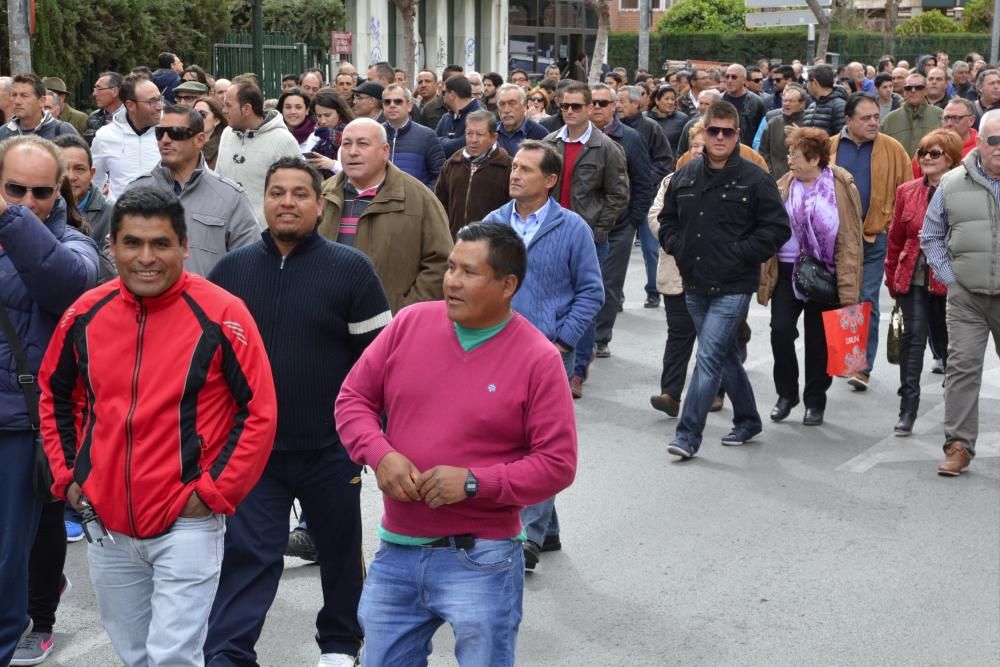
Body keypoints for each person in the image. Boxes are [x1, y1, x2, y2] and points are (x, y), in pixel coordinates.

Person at [38, 186, 277, 667]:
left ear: (184, 247)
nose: (147, 258)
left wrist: (211, 492)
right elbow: (56, 396)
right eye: (133, 243)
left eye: (161, 244)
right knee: (135, 655)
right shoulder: (84, 314)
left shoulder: (223, 313)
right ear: (113, 247)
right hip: (107, 522)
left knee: (172, 657)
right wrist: (69, 477)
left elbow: (259, 412)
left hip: (186, 521)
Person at [335, 221, 578, 665]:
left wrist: (473, 483)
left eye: (468, 272)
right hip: (397, 551)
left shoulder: (538, 359)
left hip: (481, 559)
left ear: (508, 285)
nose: (451, 281)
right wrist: (380, 453)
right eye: (450, 268)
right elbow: (352, 400)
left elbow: (557, 464)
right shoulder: (409, 323)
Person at [205, 157, 391, 667]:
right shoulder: (231, 271)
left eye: (300, 194)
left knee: (338, 550)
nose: (287, 202)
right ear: (262, 200)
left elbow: (380, 365)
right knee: (250, 555)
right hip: (253, 451)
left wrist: (375, 442)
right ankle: (227, 652)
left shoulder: (351, 270)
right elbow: (211, 365)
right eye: (277, 192)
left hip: (331, 449)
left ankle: (338, 643)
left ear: (319, 202)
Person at [479, 140, 602, 572]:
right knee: (503, 441)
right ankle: (544, 528)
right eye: (514, 166)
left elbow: (591, 292)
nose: (514, 174)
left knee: (541, 445)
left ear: (550, 181)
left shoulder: (573, 229)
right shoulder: (493, 225)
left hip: (549, 354)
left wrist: (562, 341)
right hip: (497, 352)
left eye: (526, 169)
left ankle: (528, 535)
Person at [0, 136, 99, 667]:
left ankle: (30, 621)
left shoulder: (75, 245)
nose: (29, 202)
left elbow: (64, 284)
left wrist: (8, 218)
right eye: (15, 190)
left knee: (13, 554)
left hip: (23, 423)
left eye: (41, 191)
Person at [659, 101, 791, 458]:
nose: (719, 137)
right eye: (712, 130)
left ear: (737, 135)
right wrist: (677, 247)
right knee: (725, 356)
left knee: (708, 358)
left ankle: (687, 435)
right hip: (694, 283)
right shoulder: (684, 175)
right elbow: (666, 220)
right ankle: (748, 419)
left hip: (733, 286)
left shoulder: (755, 178)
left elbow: (777, 228)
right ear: (702, 132)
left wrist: (743, 253)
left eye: (727, 132)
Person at [758, 127, 863, 427]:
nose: (789, 159)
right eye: (789, 153)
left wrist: (847, 288)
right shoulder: (784, 184)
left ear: (815, 158)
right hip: (787, 269)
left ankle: (815, 401)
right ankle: (786, 394)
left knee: (819, 341)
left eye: (796, 154)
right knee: (780, 331)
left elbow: (849, 239)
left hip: (824, 273)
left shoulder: (841, 186)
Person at [920, 109, 1000, 476]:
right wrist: (950, 277)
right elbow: (931, 235)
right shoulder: (952, 183)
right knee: (962, 369)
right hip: (966, 294)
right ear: (980, 141)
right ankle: (958, 446)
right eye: (994, 141)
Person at [543, 81, 629, 397]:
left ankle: (577, 370)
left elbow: (619, 195)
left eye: (576, 106)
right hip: (551, 233)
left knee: (585, 302)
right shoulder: (549, 142)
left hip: (588, 238)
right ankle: (551, 364)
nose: (569, 111)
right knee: (552, 299)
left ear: (589, 107)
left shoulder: (606, 147)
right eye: (564, 106)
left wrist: (597, 230)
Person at [318, 118, 453, 313]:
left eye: (363, 144)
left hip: (389, 327)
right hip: (328, 320)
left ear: (385, 151)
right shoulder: (321, 195)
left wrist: (404, 311)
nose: (353, 151)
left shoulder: (419, 198)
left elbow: (441, 262)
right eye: (346, 144)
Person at [829, 93, 911, 391]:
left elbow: (907, 192)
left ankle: (861, 366)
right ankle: (845, 358)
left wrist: (894, 229)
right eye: (865, 118)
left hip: (875, 237)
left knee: (866, 298)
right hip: (837, 240)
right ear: (848, 120)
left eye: (876, 116)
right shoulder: (831, 147)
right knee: (841, 298)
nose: (873, 122)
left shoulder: (893, 149)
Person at [885, 129, 960, 437]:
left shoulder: (965, 191)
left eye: (935, 153)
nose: (926, 158)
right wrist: (893, 279)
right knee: (912, 341)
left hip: (953, 280)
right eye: (922, 153)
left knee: (948, 345)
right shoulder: (907, 191)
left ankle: (956, 404)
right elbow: (896, 239)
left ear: (952, 159)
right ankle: (908, 409)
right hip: (914, 277)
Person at [127, 105, 259, 276]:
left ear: (199, 140)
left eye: (176, 132)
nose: (165, 140)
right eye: (160, 133)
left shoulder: (231, 198)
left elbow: (249, 263)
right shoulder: (136, 191)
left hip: (208, 301)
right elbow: (114, 248)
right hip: (147, 301)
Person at [217, 78, 302, 226]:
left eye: (228, 105)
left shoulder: (284, 141)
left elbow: (299, 192)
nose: (223, 110)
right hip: (227, 234)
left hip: (266, 239)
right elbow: (218, 181)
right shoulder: (226, 134)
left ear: (247, 109)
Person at [436, 110, 512, 238]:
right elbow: (439, 204)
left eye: (480, 134)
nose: (473, 140)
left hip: (491, 246)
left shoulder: (508, 167)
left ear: (494, 137)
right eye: (469, 134)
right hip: (455, 243)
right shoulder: (452, 164)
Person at [91, 74, 162, 200]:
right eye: (151, 102)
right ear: (130, 105)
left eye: (159, 99)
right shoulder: (105, 136)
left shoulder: (171, 132)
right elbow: (94, 180)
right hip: (120, 217)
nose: (159, 107)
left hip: (164, 216)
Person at [53, 134, 114, 245]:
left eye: (79, 169)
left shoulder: (111, 214)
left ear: (92, 174)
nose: (71, 177)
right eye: (63, 169)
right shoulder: (38, 209)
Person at [382, 83, 445, 187]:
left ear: (409, 106)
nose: (392, 105)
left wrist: (422, 199)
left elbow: (439, 175)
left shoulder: (427, 136)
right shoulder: (374, 134)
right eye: (387, 102)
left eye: (398, 101)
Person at [0, 74, 78, 141]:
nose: (17, 101)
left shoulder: (62, 131)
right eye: (14, 95)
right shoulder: (3, 132)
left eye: (24, 96)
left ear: (42, 101)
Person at [881, 73, 944, 157]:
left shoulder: (940, 115)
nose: (913, 90)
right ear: (904, 91)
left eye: (918, 87)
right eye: (908, 88)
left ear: (925, 91)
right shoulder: (890, 120)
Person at [760, 83, 808, 180]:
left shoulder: (809, 121)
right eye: (785, 100)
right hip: (776, 178)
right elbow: (763, 152)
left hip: (804, 177)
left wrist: (801, 135)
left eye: (791, 101)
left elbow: (816, 152)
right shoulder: (773, 123)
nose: (786, 104)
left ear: (802, 104)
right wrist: (769, 171)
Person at [305, 89, 354, 176]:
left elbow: (356, 171)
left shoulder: (354, 133)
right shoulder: (315, 136)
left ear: (339, 112)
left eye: (327, 115)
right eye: (319, 116)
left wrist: (332, 165)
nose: (323, 121)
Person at [496, 83, 549, 156]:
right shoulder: (490, 132)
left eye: (512, 103)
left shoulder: (540, 134)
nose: (506, 110)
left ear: (524, 106)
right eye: (502, 104)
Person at [437, 76, 482, 157]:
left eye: (444, 92)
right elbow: (431, 144)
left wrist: (442, 141)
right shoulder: (446, 118)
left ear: (452, 95)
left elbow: (464, 146)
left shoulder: (480, 117)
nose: (442, 96)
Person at [722, 64, 765, 146]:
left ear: (744, 80)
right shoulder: (718, 101)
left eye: (734, 77)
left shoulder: (756, 102)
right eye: (727, 77)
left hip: (747, 151)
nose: (729, 80)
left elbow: (761, 133)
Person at [802, 65, 848, 136]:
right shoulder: (812, 106)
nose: (806, 85)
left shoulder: (839, 106)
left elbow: (842, 138)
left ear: (814, 82)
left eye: (807, 81)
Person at [646, 85, 689, 156]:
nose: (670, 102)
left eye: (672, 99)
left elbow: (686, 144)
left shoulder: (682, 118)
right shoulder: (645, 118)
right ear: (657, 100)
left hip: (674, 162)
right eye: (666, 99)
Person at [84, 72, 124, 145]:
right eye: (95, 89)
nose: (94, 94)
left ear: (114, 92)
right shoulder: (94, 117)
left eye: (99, 88)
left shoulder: (132, 116)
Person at [278, 87, 317, 152]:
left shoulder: (317, 135)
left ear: (307, 110)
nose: (293, 112)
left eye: (298, 107)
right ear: (282, 109)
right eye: (288, 107)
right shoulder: (274, 134)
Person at [194, 95, 228, 170]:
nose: (196, 118)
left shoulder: (224, 148)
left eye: (202, 114)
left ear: (216, 120)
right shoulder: (185, 144)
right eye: (194, 114)